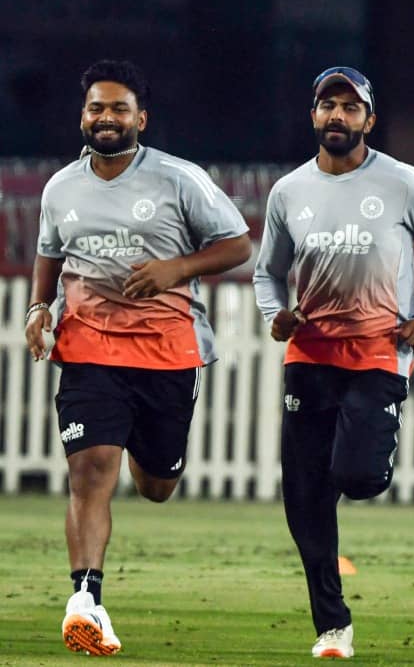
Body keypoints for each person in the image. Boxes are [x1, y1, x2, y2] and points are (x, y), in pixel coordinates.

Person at [26, 59, 252, 656]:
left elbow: (239, 244)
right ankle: (86, 601)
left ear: (141, 119)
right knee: (90, 471)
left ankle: (148, 462)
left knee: (155, 484)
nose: (106, 118)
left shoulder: (180, 180)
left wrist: (177, 268)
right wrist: (37, 309)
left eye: (119, 109)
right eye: (96, 108)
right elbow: (49, 253)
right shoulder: (60, 188)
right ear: (83, 116)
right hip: (88, 349)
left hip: (166, 353)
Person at [252, 66, 414, 659]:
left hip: (378, 351)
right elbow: (267, 271)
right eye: (328, 105)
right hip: (309, 355)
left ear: (369, 120)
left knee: (357, 477)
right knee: (304, 497)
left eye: (351, 107)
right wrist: (275, 312)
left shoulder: (401, 182)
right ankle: (332, 626)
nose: (338, 116)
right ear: (313, 115)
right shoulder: (289, 191)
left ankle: (374, 457)